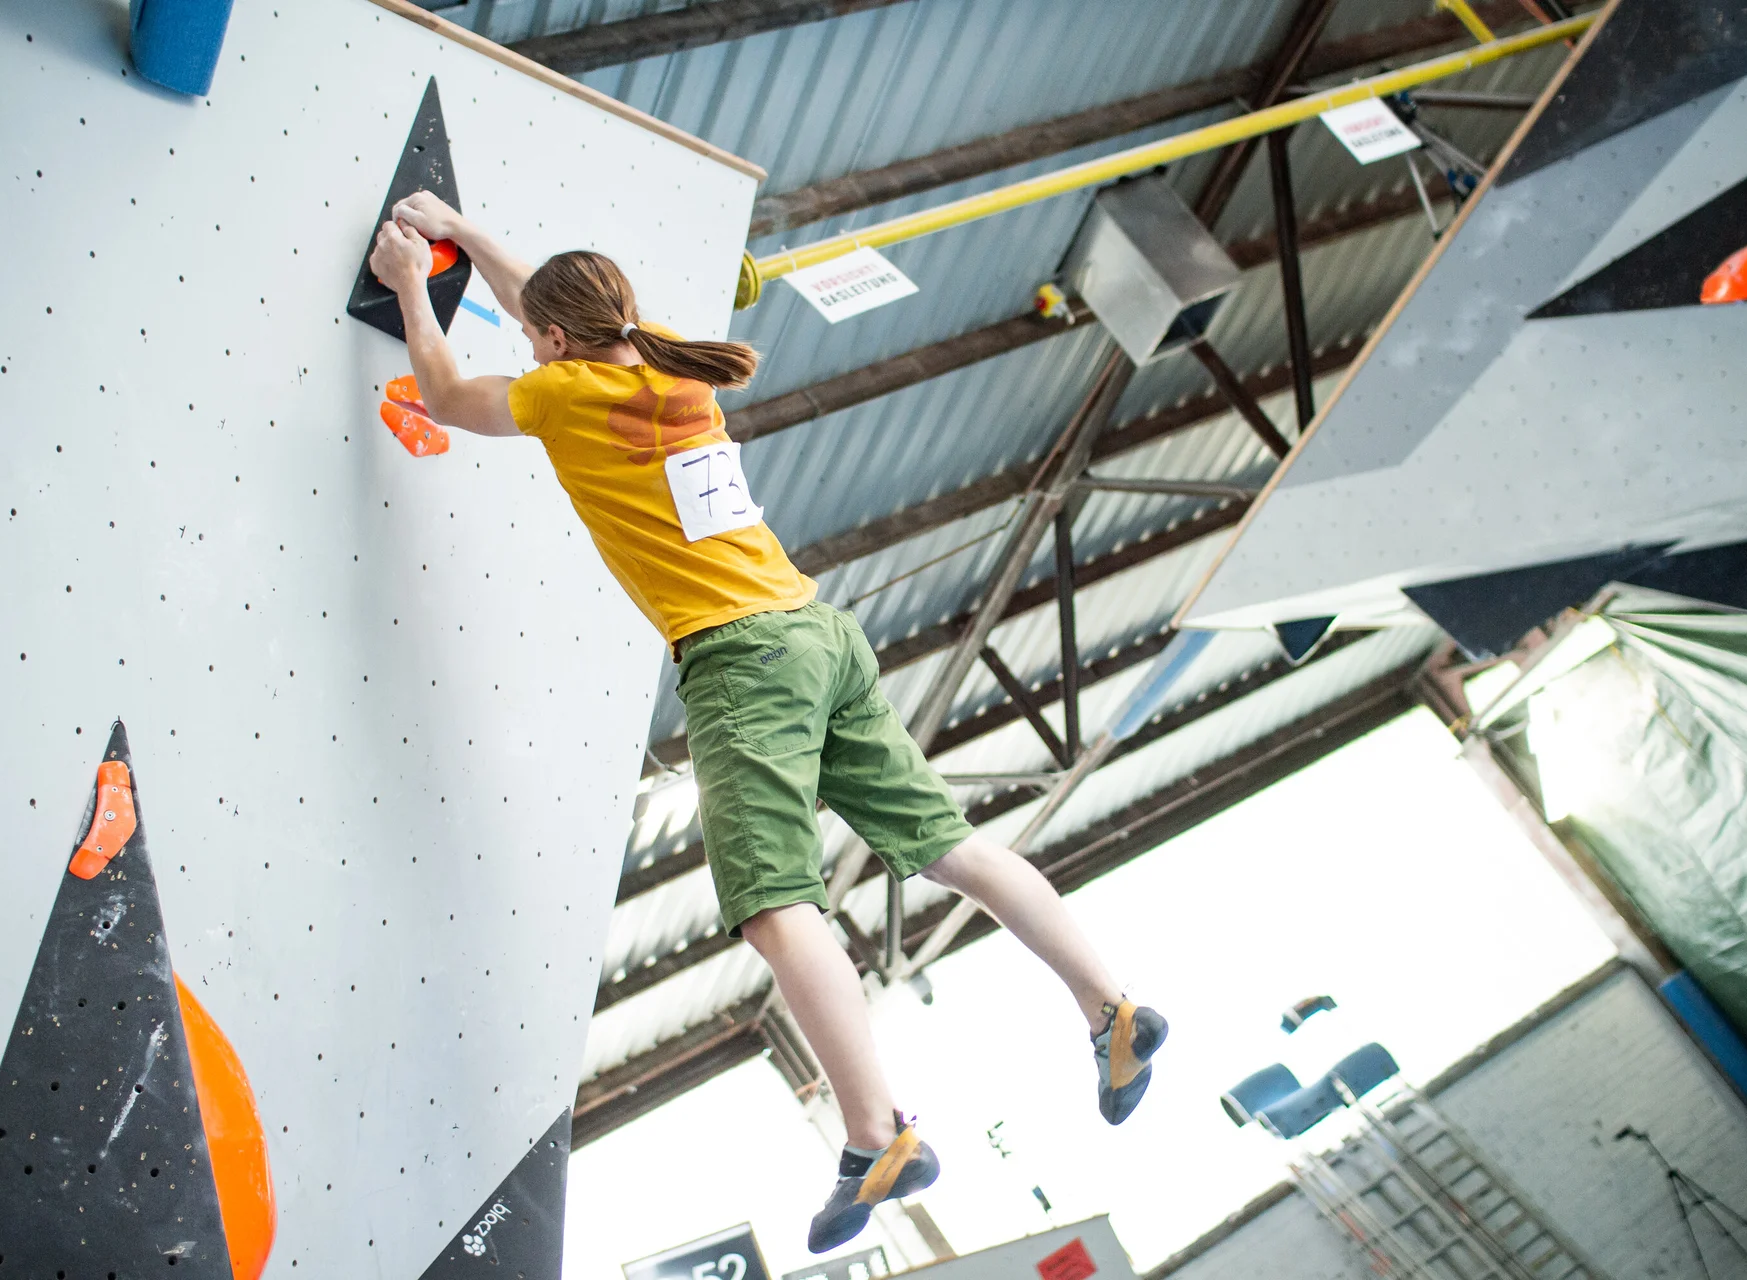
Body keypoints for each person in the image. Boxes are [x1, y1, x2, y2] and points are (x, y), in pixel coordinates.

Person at [366, 194, 1169, 1254]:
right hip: (817, 630)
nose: (528, 339)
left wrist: (415, 282)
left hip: (743, 662)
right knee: (955, 848)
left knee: (776, 903)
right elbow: (548, 307)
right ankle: (1109, 1007)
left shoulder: (560, 390)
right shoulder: (669, 369)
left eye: (535, 334)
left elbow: (447, 391)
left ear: (556, 342)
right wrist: (468, 227)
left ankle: (876, 1128)